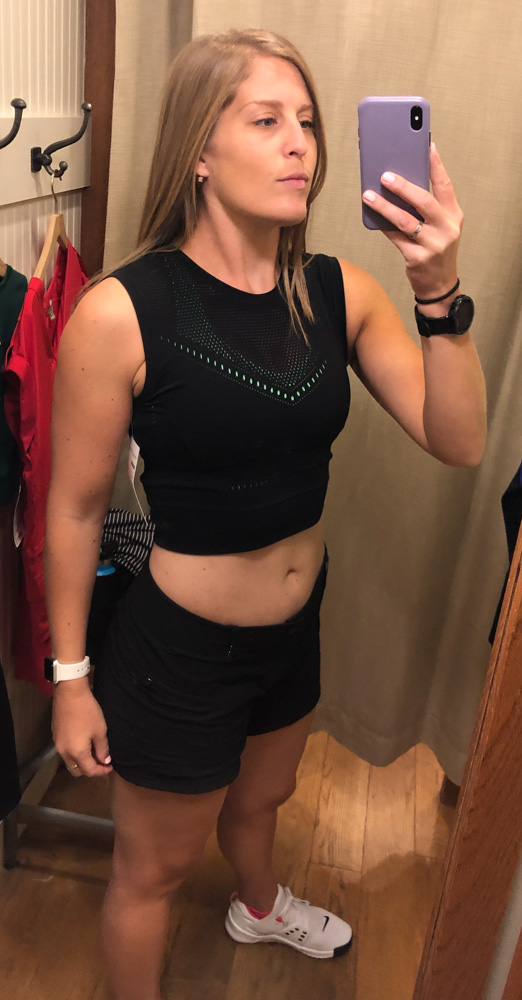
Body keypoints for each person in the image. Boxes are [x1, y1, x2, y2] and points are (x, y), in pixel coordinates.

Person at [44, 27, 487, 1000]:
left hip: (293, 627)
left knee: (265, 797)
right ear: (199, 151)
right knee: (154, 869)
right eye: (266, 120)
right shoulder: (122, 311)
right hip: (179, 652)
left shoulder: (339, 291)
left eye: (310, 123)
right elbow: (73, 511)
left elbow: (458, 440)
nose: (301, 145)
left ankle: (257, 903)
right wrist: (70, 678)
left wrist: (436, 289)